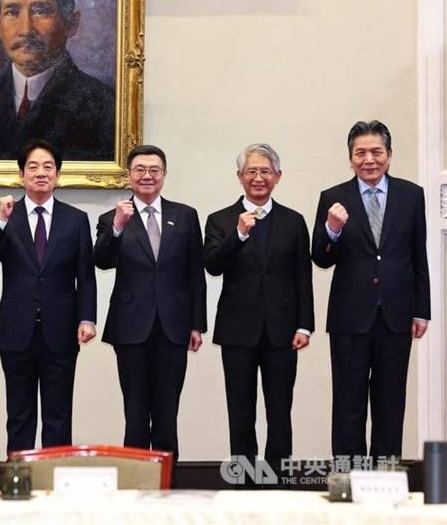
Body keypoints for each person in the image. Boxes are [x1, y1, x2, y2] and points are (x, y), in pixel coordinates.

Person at [312, 120, 430, 460]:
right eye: (360, 153)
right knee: (348, 403)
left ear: (389, 155)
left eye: (376, 152)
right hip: (350, 317)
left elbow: (418, 255)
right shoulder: (333, 197)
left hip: (396, 314)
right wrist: (331, 230)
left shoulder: (411, 195)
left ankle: (386, 481)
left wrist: (422, 309)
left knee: (390, 402)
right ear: (350, 158)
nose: (369, 159)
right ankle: (348, 480)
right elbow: (320, 257)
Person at [0, 139, 96, 452]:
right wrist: (0, 221)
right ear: (21, 175)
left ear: (57, 175)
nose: (41, 173)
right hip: (17, 332)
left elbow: (85, 276)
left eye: (48, 167)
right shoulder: (4, 216)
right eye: (33, 167)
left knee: (58, 415)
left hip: (61, 330)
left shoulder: (76, 219)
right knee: (19, 415)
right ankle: (19, 484)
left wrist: (87, 318)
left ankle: (55, 484)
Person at [203, 143, 314, 473]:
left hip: (283, 332)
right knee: (240, 411)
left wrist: (304, 325)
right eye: (251, 171)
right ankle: (245, 480)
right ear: (239, 177)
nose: (258, 178)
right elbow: (212, 265)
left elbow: (302, 278)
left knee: (280, 410)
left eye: (266, 171)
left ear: (278, 177)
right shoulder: (221, 220)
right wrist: (238, 234)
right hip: (238, 331)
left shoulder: (294, 221)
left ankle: (278, 479)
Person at [93, 144, 206, 461]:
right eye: (140, 170)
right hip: (131, 328)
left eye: (154, 170)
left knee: (168, 415)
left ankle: (167, 488)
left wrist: (197, 323)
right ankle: (135, 488)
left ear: (164, 174)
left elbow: (194, 272)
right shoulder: (111, 217)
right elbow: (101, 260)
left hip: (174, 326)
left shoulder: (184, 216)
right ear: (128, 175)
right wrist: (117, 226)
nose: (147, 176)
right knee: (136, 414)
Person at [0, 0, 115, 161]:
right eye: (12, 12)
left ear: (71, 23)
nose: (26, 30)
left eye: (41, 11)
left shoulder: (105, 105)